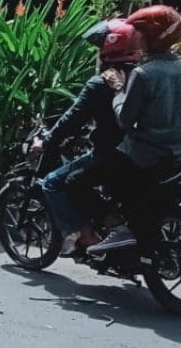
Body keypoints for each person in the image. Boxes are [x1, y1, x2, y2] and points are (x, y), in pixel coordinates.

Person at [88, 4, 181, 256]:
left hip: (142, 156)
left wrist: (118, 89)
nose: (134, 37)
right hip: (177, 153)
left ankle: (118, 228)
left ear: (151, 36)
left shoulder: (143, 74)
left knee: (80, 179)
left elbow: (125, 120)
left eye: (138, 32)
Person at [40, 19, 144, 254]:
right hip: (146, 154)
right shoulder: (144, 75)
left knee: (54, 183)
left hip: (112, 154)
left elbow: (73, 118)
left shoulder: (101, 83)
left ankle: (90, 236)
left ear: (108, 49)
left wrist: (47, 141)